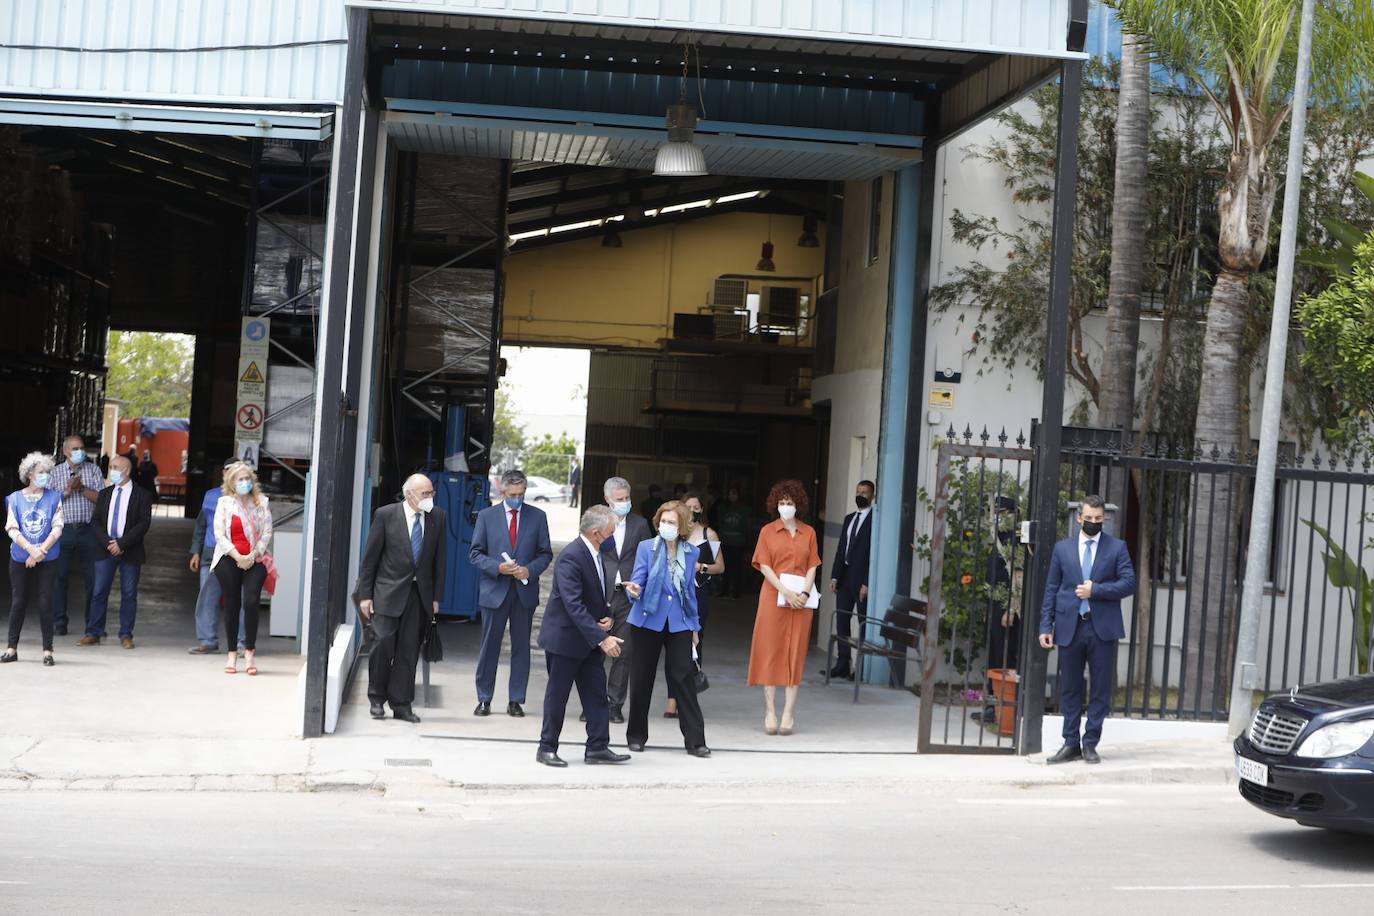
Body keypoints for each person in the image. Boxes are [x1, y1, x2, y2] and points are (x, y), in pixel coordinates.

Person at [1038, 495, 1136, 765]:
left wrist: (1097, 590)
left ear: (1103, 518)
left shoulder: (1117, 548)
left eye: (1098, 519)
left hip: (1101, 628)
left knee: (1100, 689)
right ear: (1079, 517)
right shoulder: (1063, 549)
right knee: (1069, 687)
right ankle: (1070, 743)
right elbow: (1052, 589)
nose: (1093, 523)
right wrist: (1046, 625)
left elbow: (1129, 583)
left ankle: (1090, 742)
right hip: (1070, 626)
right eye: (1089, 518)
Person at [534, 505, 630, 768]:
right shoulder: (571, 556)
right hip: (565, 639)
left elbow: (598, 592)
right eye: (611, 530)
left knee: (596, 693)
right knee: (558, 695)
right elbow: (572, 604)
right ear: (597, 533)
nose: (614, 535)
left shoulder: (598, 554)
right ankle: (547, 747)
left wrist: (607, 615)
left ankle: (598, 747)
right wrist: (603, 639)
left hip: (588, 639)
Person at [356, 474, 447, 722]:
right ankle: (376, 699)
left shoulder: (437, 517)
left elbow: (440, 560)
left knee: (409, 651)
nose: (430, 498)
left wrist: (436, 596)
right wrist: (366, 595)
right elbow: (370, 559)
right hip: (387, 593)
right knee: (382, 645)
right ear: (410, 494)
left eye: (431, 493)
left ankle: (402, 704)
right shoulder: (386, 515)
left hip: (419, 596)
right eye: (425, 493)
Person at [622, 500, 710, 756]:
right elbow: (638, 579)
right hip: (648, 619)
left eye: (671, 522)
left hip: (680, 622)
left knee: (683, 676)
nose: (666, 526)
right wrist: (634, 591)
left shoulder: (691, 552)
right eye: (663, 521)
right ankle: (636, 735)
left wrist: (694, 628)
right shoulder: (646, 548)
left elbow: (690, 592)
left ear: (682, 526)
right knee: (641, 677)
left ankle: (695, 741)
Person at [469, 469, 553, 717]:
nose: (517, 498)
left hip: (523, 592)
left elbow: (545, 553)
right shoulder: (487, 516)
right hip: (495, 591)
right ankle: (484, 698)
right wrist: (498, 567)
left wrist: (529, 570)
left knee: (521, 647)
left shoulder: (538, 517)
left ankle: (516, 699)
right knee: (489, 647)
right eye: (513, 494)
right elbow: (475, 554)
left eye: (521, 494)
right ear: (503, 492)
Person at [747, 479, 821, 736]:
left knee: (795, 652)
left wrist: (803, 592)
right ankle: (770, 710)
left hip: (802, 600)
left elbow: (812, 564)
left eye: (789, 503)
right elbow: (764, 565)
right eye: (781, 503)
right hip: (773, 596)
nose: (785, 507)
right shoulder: (767, 531)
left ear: (797, 505)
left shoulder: (809, 532)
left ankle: (789, 710)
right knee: (771, 650)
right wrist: (785, 591)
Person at [81, 455, 152, 649]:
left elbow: (143, 524)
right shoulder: (104, 493)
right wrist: (108, 543)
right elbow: (95, 521)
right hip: (105, 551)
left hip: (130, 551)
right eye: (110, 466)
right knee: (98, 592)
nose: (111, 470)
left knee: (129, 594)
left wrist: (122, 543)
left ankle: (126, 634)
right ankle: (93, 632)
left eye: (115, 467)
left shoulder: (142, 495)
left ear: (127, 471)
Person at [211, 462, 274, 676]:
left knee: (251, 600)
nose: (245, 483)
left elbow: (267, 532)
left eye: (248, 479)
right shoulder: (224, 503)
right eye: (240, 479)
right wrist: (238, 556)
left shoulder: (262, 502)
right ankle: (231, 653)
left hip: (255, 558)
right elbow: (219, 534)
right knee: (232, 603)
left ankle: (249, 651)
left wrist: (252, 555)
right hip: (229, 557)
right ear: (231, 482)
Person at [664, 492, 723, 719]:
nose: (692, 509)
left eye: (696, 506)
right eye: (688, 506)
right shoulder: (673, 533)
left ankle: (687, 696)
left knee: (694, 645)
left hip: (699, 594)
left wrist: (701, 567)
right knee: (672, 645)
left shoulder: (710, 534)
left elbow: (720, 567)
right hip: (673, 595)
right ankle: (672, 698)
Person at [600, 475, 652, 723]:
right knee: (595, 649)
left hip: (630, 596)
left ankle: (614, 704)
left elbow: (649, 559)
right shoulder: (596, 521)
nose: (624, 502)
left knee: (624, 651)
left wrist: (641, 586)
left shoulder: (640, 524)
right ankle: (594, 701)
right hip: (601, 594)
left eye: (627, 498)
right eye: (619, 499)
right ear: (607, 500)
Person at [4, 452, 64, 666]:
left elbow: (58, 527)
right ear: (29, 474)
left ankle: (48, 650)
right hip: (21, 556)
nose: (45, 476)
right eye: (41, 472)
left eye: (47, 472)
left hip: (47, 558)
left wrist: (40, 552)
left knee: (45, 602)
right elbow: (11, 527)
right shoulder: (14, 498)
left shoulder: (55, 497)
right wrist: (30, 550)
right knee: (18, 601)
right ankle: (11, 648)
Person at [47, 435, 104, 637]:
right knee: (59, 577)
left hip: (89, 530)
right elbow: (47, 503)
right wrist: (67, 491)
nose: (80, 451)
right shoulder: (54, 473)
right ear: (65, 452)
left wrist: (81, 488)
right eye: (75, 448)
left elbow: (102, 500)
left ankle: (93, 625)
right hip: (62, 531)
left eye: (81, 448)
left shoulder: (94, 470)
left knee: (93, 578)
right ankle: (59, 621)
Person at [188, 459, 245, 655]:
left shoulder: (248, 498)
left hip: (239, 555)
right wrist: (196, 551)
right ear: (223, 473)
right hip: (211, 554)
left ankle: (241, 642)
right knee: (207, 597)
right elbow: (201, 526)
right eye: (230, 471)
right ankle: (207, 640)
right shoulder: (210, 497)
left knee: (238, 599)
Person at [826, 480, 875, 680]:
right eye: (858, 491)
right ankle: (842, 664)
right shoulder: (849, 519)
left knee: (863, 623)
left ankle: (861, 670)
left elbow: (873, 553)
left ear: (872, 496)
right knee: (842, 622)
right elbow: (841, 549)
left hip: (861, 580)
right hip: (845, 578)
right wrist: (835, 575)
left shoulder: (875, 520)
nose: (860, 495)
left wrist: (867, 582)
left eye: (864, 492)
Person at [717, 485, 752, 599]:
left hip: (738, 543)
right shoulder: (722, 508)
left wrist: (747, 543)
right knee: (724, 568)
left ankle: (736, 592)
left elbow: (747, 526)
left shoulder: (744, 509)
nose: (732, 496)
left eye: (734, 494)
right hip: (725, 541)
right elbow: (719, 523)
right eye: (730, 494)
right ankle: (724, 590)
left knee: (737, 569)